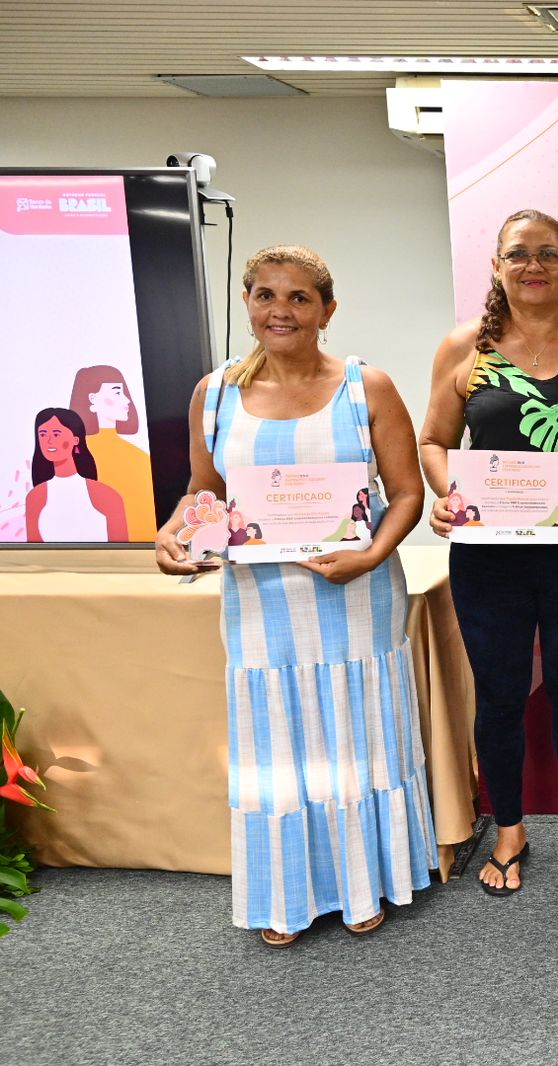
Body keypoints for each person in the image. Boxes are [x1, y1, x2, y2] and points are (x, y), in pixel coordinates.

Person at [153, 244, 436, 946]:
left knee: (358, 737)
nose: (281, 310)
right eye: (266, 295)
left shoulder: (367, 388)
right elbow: (203, 492)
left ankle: (365, 881)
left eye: (299, 297)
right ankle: (288, 894)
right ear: (247, 303)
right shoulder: (215, 393)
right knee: (280, 746)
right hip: (261, 607)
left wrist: (370, 555)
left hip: (355, 597)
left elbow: (408, 493)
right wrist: (173, 531)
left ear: (327, 310)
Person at [418, 209, 558, 894]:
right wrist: (448, 495)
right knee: (501, 695)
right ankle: (508, 827)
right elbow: (433, 442)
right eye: (518, 254)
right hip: (489, 555)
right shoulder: (464, 347)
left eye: (548, 253)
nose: (533, 265)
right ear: (497, 266)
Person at [70, 365, 157, 540]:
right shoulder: (77, 455)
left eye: (124, 393)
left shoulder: (138, 457)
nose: (126, 400)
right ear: (92, 399)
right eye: (117, 392)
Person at [26, 408, 128, 542]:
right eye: (43, 434)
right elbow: (33, 550)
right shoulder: (34, 497)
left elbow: (121, 549)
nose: (48, 441)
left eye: (56, 434)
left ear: (75, 440)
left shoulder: (107, 495)